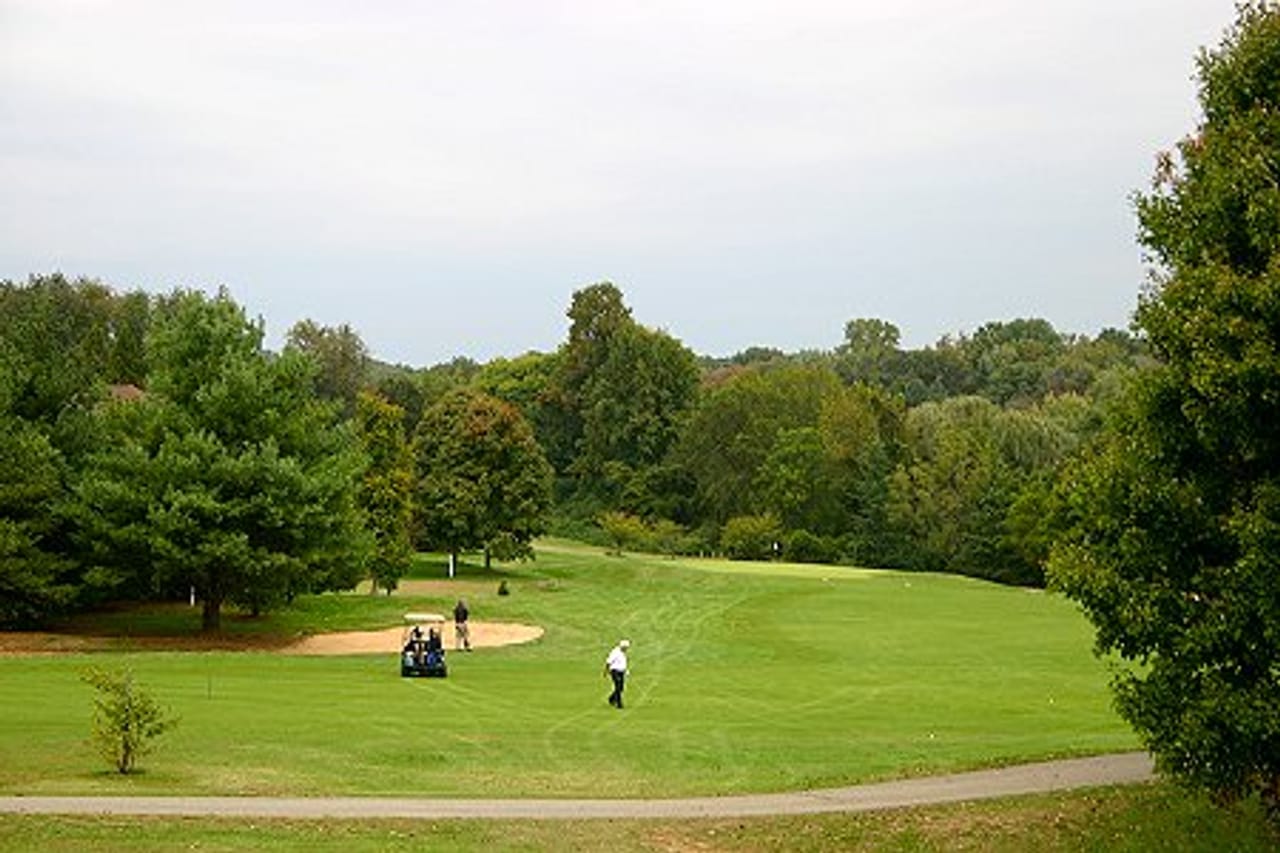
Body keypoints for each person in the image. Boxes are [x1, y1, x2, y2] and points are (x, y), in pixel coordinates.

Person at [604, 639, 630, 709]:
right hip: (614, 671)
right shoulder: (615, 652)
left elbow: (623, 663)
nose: (626, 649)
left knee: (621, 688)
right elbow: (608, 662)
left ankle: (611, 699)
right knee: (618, 686)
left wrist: (626, 671)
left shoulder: (623, 653)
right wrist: (606, 671)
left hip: (621, 672)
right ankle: (619, 704)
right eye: (625, 648)